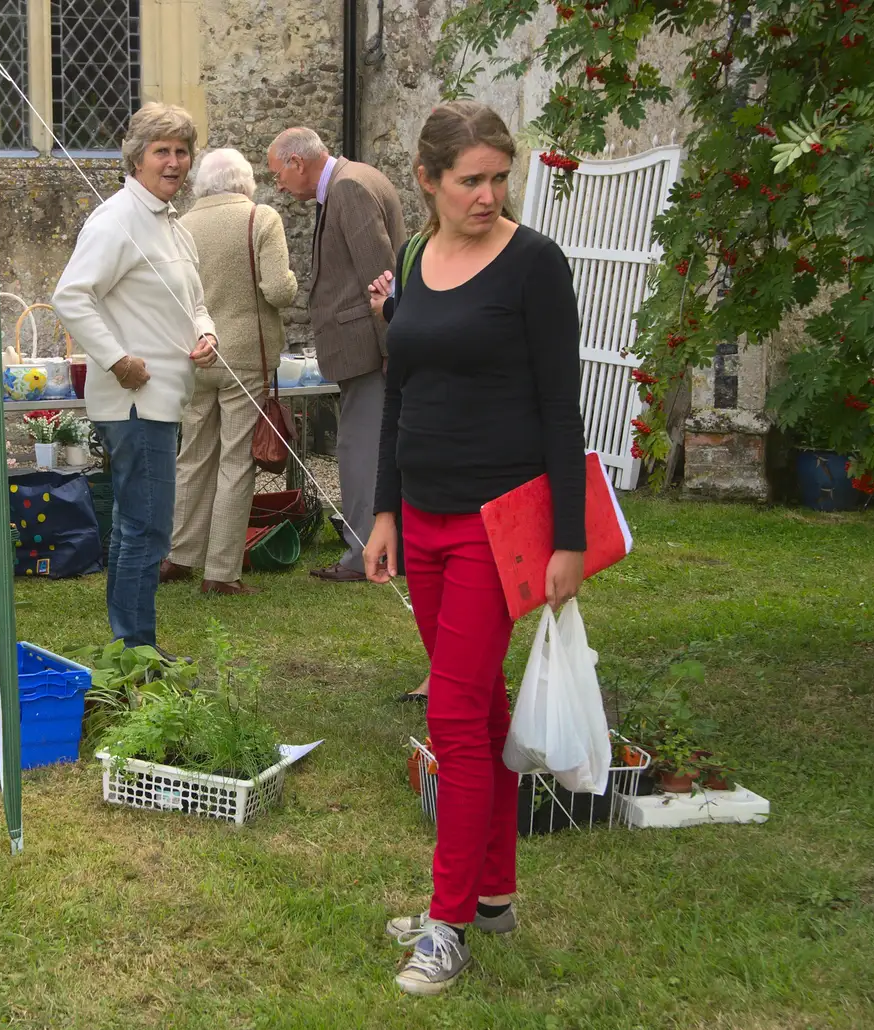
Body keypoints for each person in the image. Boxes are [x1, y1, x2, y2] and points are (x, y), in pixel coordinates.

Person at [361, 101, 586, 996]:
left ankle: (447, 922)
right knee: (482, 714)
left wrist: (567, 539)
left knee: (453, 720)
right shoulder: (416, 257)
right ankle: (493, 893)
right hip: (424, 517)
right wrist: (384, 513)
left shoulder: (535, 265)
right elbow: (398, 394)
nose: (489, 195)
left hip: (504, 526)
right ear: (429, 180)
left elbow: (562, 410)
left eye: (501, 178)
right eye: (471, 180)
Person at [52, 103, 219, 650]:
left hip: (165, 399)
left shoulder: (173, 226)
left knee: (135, 526)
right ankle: (137, 648)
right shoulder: (117, 218)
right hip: (135, 403)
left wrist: (207, 334)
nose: (174, 162)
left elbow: (194, 304)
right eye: (162, 151)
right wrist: (117, 358)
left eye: (181, 151)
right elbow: (72, 296)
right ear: (137, 158)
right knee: (147, 530)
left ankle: (130, 646)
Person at [266, 127, 406, 583]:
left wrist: (390, 347)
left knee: (360, 452)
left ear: (297, 162)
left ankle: (365, 553)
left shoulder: (347, 187)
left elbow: (380, 274)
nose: (280, 186)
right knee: (369, 448)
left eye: (278, 175)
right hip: (365, 347)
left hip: (369, 350)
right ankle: (381, 548)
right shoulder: (351, 179)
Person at [159, 148, 298, 595]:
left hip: (194, 352)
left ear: (202, 181)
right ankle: (220, 572)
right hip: (242, 357)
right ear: (245, 181)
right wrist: (292, 284)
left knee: (193, 455)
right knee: (236, 461)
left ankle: (179, 556)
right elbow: (278, 290)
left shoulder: (181, 222)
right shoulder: (262, 218)